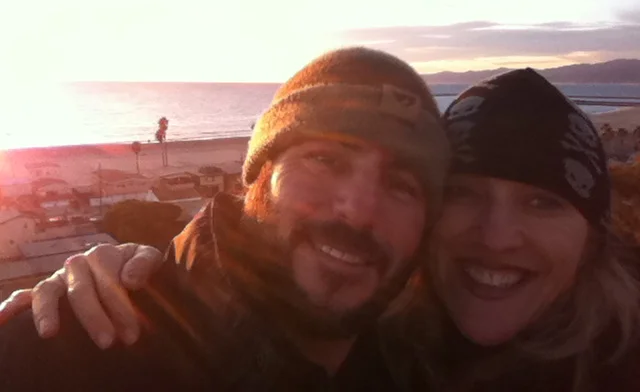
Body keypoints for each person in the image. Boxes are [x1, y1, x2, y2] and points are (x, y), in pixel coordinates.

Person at [4, 68, 640, 391]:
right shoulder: (366, 342)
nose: (497, 236)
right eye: (464, 195)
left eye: (543, 204)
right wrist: (150, 272)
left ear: (594, 234)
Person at [0, 47, 450, 391]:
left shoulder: (417, 369)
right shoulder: (59, 356)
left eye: (402, 186)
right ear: (257, 177)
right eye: (325, 160)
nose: (359, 210)